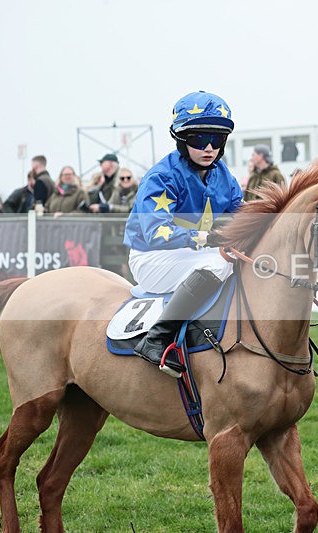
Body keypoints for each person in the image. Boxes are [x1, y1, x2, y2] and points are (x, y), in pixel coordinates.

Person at [124, 90, 243, 376]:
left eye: (217, 140)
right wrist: (206, 238)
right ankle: (157, 339)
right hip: (151, 258)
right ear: (181, 139)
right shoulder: (162, 176)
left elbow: (242, 215)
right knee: (219, 261)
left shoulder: (223, 175)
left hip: (190, 255)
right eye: (199, 139)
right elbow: (155, 232)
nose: (209, 148)